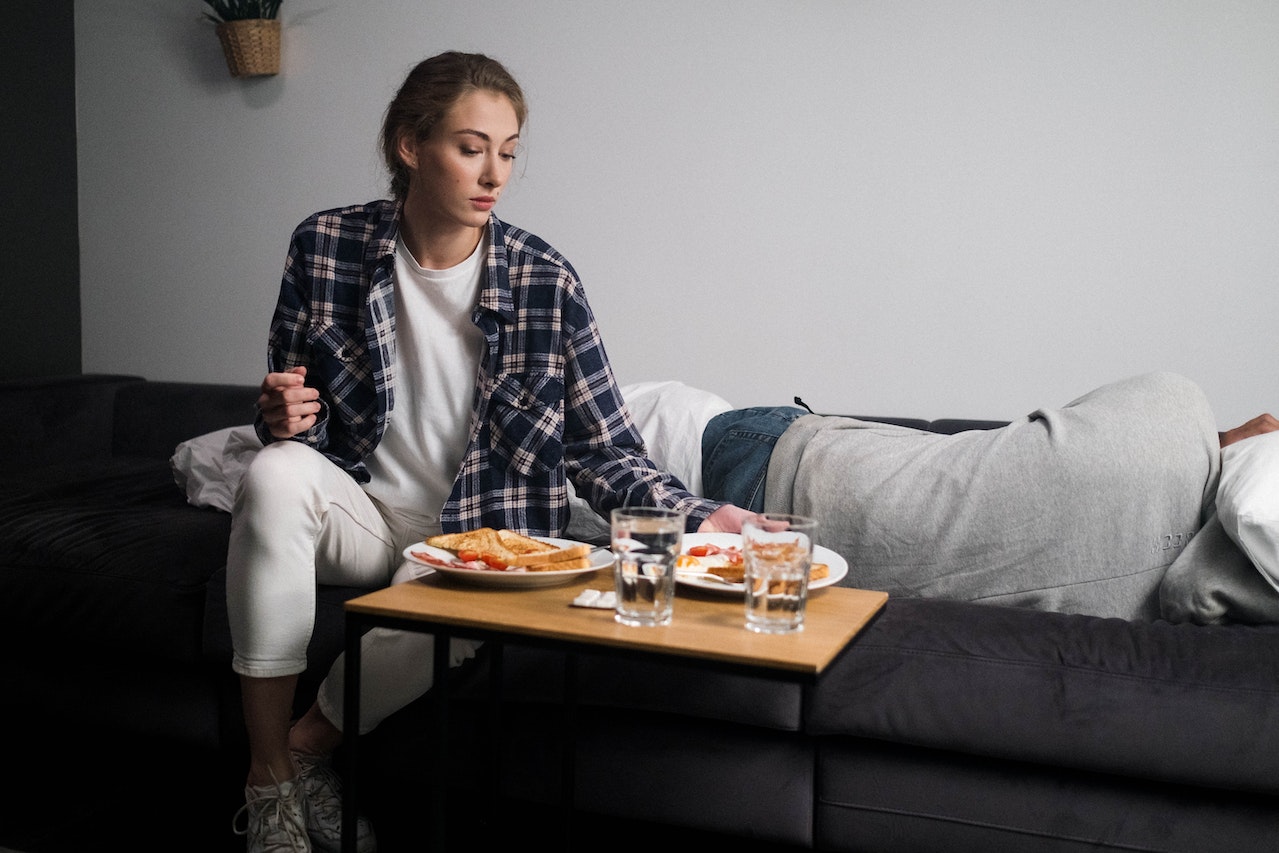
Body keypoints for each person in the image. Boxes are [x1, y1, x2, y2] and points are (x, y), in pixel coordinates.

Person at [226, 51, 751, 853]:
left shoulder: (544, 279)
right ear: (410, 145)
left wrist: (700, 514)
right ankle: (267, 787)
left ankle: (302, 752)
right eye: (472, 147)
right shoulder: (325, 245)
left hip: (479, 537)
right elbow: (301, 420)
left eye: (507, 151)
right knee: (269, 472)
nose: (494, 173)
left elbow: (603, 449)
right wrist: (284, 418)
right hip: (364, 510)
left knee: (487, 600)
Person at [702, 372, 1279, 623]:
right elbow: (1199, 592)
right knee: (616, 453)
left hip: (783, 464)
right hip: (768, 463)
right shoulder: (1172, 412)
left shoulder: (1173, 404)